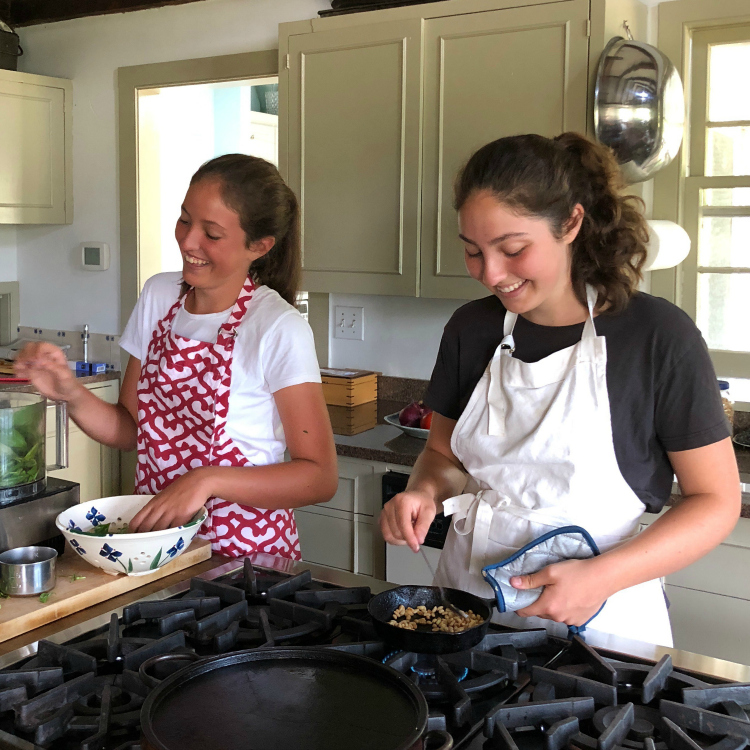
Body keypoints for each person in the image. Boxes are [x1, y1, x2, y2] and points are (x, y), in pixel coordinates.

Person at [380, 133, 740, 646]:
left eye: (512, 249)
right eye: (474, 252)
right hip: (468, 604)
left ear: (571, 223)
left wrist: (602, 577)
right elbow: (443, 455)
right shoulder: (472, 328)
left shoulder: (658, 336)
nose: (492, 274)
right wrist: (424, 491)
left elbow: (715, 500)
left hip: (601, 617)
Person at [16, 154, 338, 559]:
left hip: (245, 560)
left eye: (212, 233)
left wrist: (206, 480)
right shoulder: (158, 296)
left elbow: (319, 477)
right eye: (185, 219)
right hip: (156, 546)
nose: (188, 242)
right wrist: (71, 394)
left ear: (258, 246)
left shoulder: (277, 327)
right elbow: (131, 429)